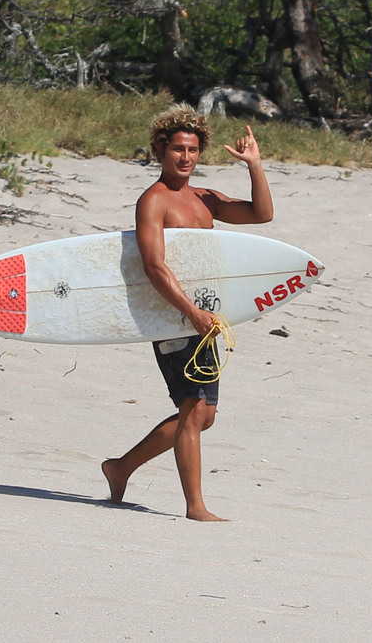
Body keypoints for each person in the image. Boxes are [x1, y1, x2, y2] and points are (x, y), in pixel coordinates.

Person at [102, 104, 274, 521]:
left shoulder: (203, 200)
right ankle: (195, 507)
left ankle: (121, 467)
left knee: (202, 414)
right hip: (173, 316)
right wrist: (190, 313)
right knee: (195, 409)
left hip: (206, 316)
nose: (186, 157)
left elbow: (261, 213)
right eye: (178, 148)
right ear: (160, 149)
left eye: (193, 150)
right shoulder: (154, 201)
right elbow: (154, 266)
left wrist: (254, 165)